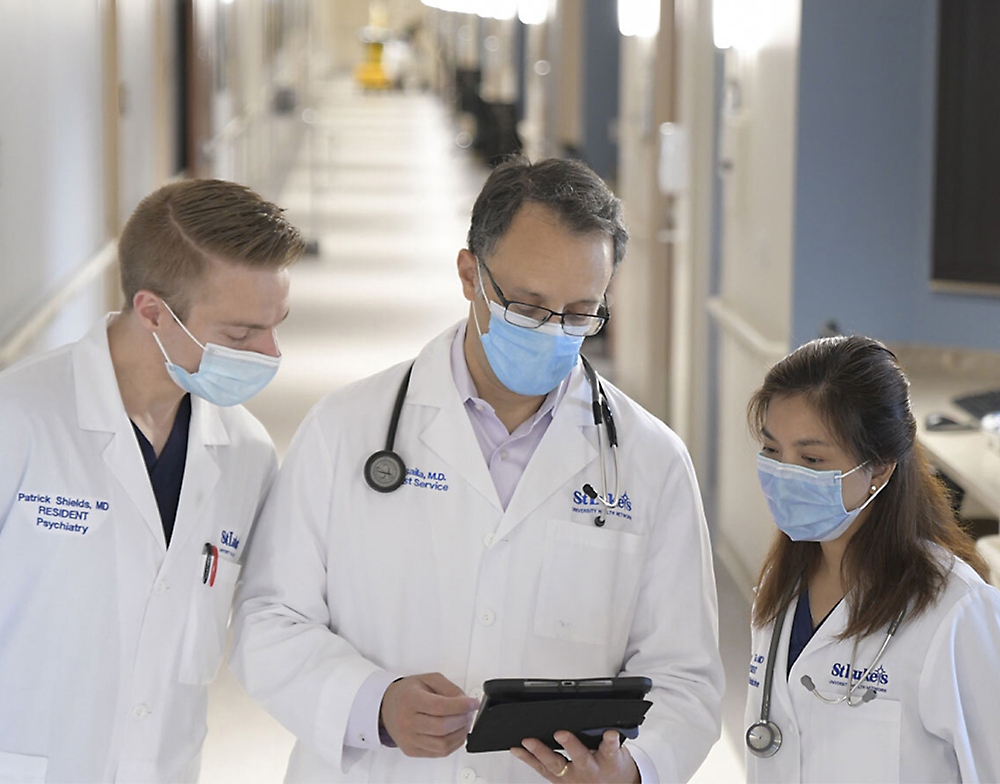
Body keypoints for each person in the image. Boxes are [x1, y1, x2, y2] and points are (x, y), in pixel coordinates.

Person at [230, 156, 724, 783]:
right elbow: (268, 618)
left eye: (580, 312)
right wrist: (372, 704)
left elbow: (687, 675)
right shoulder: (345, 429)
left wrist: (635, 769)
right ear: (470, 274)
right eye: (528, 304)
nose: (553, 331)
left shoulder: (651, 461)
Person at [0, 179, 304, 783]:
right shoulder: (19, 418)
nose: (270, 353)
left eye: (276, 327)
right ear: (152, 311)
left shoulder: (244, 453)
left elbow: (269, 617)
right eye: (241, 335)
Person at [743, 335, 1000, 782]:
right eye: (771, 451)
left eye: (811, 458)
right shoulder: (780, 585)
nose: (785, 475)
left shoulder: (956, 613)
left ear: (880, 468)